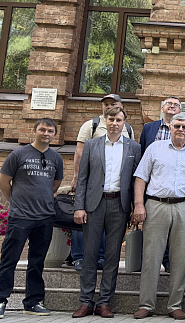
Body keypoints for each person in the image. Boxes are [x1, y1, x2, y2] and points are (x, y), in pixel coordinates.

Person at [131, 113, 185, 320]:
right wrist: (139, 204)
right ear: (170, 127)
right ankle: (146, 304)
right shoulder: (155, 148)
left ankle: (175, 304)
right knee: (151, 256)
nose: (181, 130)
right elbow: (140, 178)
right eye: (177, 126)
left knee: (181, 257)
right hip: (156, 205)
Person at [0, 118, 64, 319]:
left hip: (45, 217)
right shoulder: (18, 154)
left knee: (37, 262)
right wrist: (16, 202)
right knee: (9, 260)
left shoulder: (56, 158)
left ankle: (32, 302)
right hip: (20, 217)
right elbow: (3, 183)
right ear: (35, 131)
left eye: (50, 131)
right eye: (42, 130)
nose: (46, 134)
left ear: (54, 134)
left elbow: (54, 185)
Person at [72, 107, 142, 318]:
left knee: (112, 257)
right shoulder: (92, 145)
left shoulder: (134, 148)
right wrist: (79, 206)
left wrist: (133, 208)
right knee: (90, 254)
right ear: (105, 120)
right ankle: (86, 301)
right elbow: (82, 178)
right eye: (111, 119)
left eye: (119, 120)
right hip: (94, 205)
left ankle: (104, 302)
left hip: (118, 206)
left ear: (124, 123)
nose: (114, 123)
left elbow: (135, 181)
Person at [139, 96, 185, 273]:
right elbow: (143, 154)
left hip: (180, 191)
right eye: (169, 104)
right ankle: (151, 262)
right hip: (155, 188)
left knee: (176, 237)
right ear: (162, 108)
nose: (172, 106)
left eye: (176, 105)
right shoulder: (149, 128)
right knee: (153, 234)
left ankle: (168, 261)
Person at [69, 94, 129, 270]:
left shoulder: (128, 129)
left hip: (115, 189)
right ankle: (79, 257)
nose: (109, 106)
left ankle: (101, 258)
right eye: (106, 104)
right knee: (84, 221)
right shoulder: (91, 125)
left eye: (113, 104)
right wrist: (76, 176)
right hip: (92, 184)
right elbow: (80, 152)